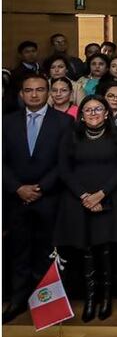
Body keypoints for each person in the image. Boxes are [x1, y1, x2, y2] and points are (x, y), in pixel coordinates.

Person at [54, 94, 117, 322]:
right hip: (78, 199)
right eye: (88, 110)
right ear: (81, 114)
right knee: (87, 250)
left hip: (110, 197)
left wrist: (100, 195)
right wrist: (84, 196)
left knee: (105, 249)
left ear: (107, 112)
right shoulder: (70, 136)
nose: (93, 114)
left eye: (98, 109)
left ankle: (106, 298)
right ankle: (91, 299)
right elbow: (64, 169)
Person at [2, 75, 70, 324]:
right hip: (16, 198)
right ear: (21, 94)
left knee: (47, 253)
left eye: (39, 90)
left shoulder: (63, 122)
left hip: (49, 198)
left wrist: (40, 188)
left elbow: (63, 162)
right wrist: (18, 188)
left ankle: (47, 304)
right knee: (19, 251)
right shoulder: (6, 123)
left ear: (48, 92)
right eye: (28, 90)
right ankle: (18, 301)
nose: (34, 94)